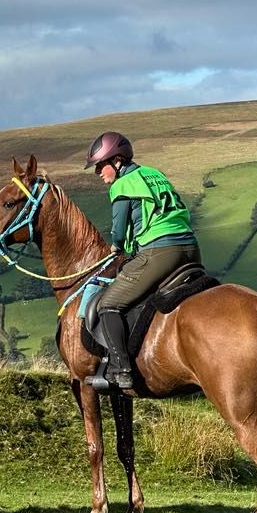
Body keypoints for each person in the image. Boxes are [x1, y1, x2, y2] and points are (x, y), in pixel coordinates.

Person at [84, 131, 201, 389]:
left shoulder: (122, 185)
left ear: (116, 161)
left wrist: (118, 247)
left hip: (159, 252)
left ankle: (121, 369)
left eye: (100, 166)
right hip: (190, 248)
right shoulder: (154, 174)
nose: (98, 174)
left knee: (109, 304)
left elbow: (118, 230)